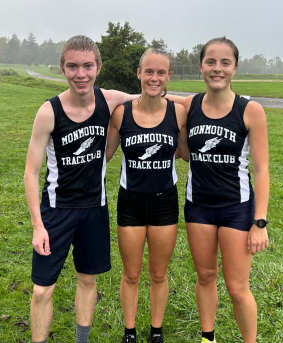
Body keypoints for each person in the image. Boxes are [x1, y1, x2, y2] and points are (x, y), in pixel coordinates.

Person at [24, 35, 139, 343]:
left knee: (87, 280)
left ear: (98, 67)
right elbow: (31, 171)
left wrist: (201, 103)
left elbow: (150, 98)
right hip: (56, 211)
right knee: (41, 289)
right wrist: (38, 225)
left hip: (94, 209)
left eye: (87, 66)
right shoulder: (49, 112)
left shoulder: (110, 100)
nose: (81, 74)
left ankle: (82, 340)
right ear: (63, 69)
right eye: (73, 66)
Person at [171, 37, 269, 343]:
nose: (217, 69)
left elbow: (262, 170)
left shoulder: (250, 110)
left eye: (225, 62)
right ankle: (208, 337)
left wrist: (259, 222)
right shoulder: (189, 105)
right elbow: (150, 94)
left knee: (238, 289)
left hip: (236, 209)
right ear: (200, 66)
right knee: (205, 276)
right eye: (210, 62)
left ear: (235, 68)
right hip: (198, 206)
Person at [106, 49, 188, 343]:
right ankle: (130, 333)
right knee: (131, 274)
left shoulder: (178, 113)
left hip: (165, 201)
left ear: (168, 76)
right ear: (139, 74)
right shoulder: (121, 114)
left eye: (161, 73)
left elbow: (188, 154)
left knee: (158, 273)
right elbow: (105, 154)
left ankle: (156, 331)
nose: (155, 78)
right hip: (130, 202)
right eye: (149, 72)